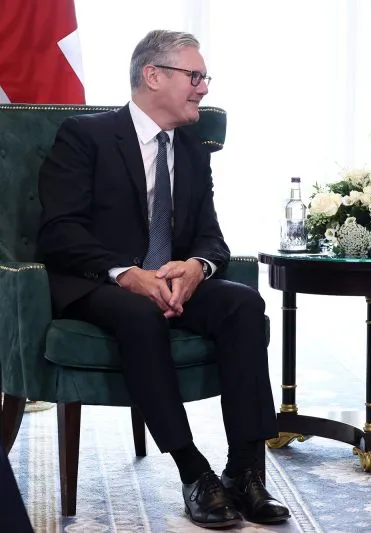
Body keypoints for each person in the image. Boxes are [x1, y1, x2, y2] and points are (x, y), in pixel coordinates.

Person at [37, 30, 289, 528]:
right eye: (194, 76)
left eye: (204, 78)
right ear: (153, 76)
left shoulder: (191, 151)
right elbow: (59, 231)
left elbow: (211, 239)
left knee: (243, 304)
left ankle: (244, 469)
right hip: (100, 284)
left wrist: (196, 269)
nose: (203, 88)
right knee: (139, 312)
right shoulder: (85, 136)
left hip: (172, 282)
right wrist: (128, 274)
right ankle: (194, 472)